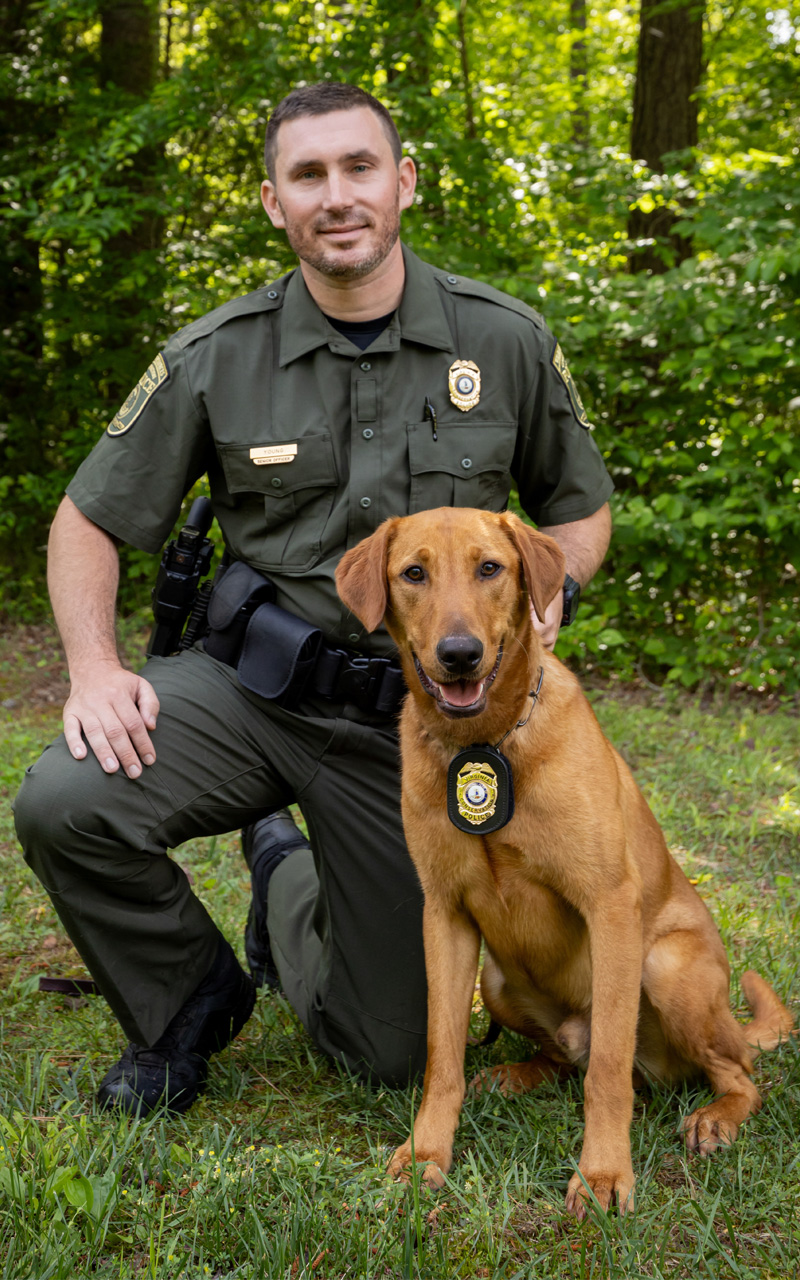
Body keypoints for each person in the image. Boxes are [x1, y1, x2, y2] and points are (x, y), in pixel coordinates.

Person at [13, 83, 613, 1116]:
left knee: (382, 1050)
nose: (336, 196)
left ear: (402, 183)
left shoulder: (501, 339)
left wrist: (548, 599)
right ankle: (185, 999)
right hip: (251, 691)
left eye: (357, 167)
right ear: (272, 202)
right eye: (307, 175)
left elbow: (579, 507)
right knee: (66, 798)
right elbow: (86, 519)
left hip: (421, 725)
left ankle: (281, 872)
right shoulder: (216, 355)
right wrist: (96, 669)